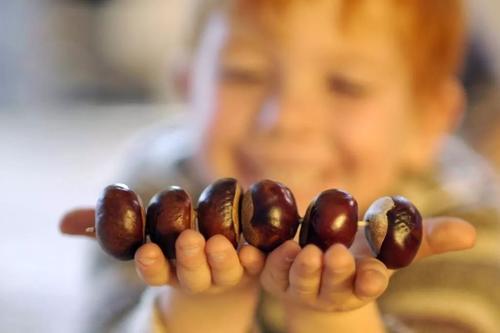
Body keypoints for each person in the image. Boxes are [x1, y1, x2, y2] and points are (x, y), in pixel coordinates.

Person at [60, 0, 500, 332]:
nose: (284, 119)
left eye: (346, 85)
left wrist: (332, 318)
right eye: (244, 73)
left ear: (427, 123)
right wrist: (200, 308)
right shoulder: (155, 195)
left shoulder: (461, 227)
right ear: (188, 90)